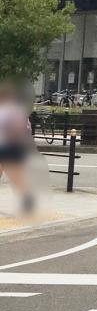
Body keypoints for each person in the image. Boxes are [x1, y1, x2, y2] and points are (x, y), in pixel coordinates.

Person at [0, 81, 35, 214]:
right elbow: (28, 128)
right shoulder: (20, 110)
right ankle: (27, 197)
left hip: (6, 145)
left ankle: (27, 198)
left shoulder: (3, 110)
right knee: (15, 174)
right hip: (18, 145)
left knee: (13, 173)